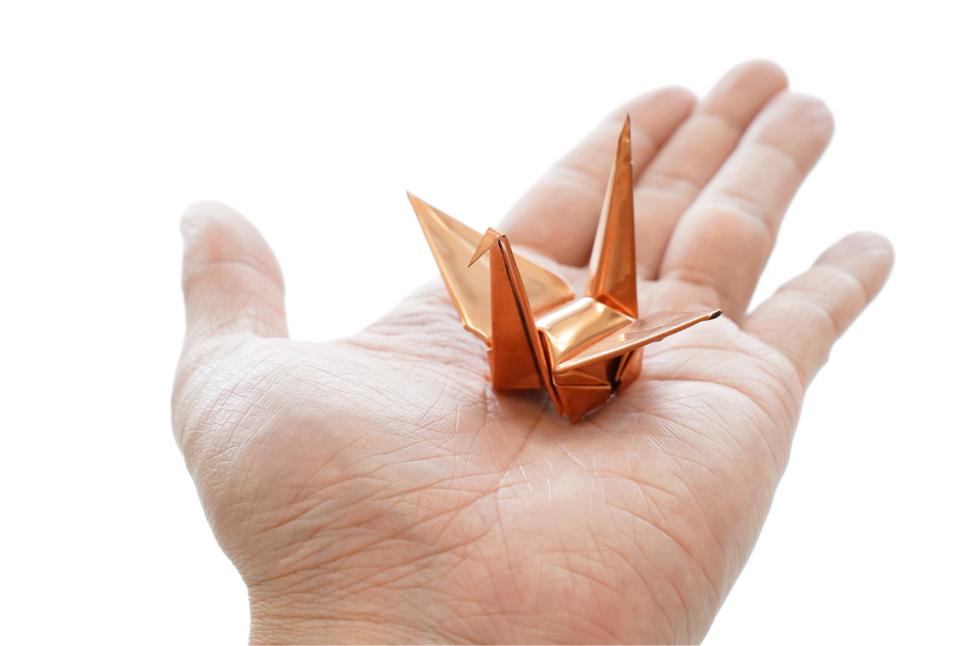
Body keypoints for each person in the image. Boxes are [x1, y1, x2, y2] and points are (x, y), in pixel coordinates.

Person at [172, 60, 893, 644]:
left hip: (589, 340)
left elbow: (601, 332)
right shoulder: (533, 349)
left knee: (531, 277)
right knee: (505, 278)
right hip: (562, 346)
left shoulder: (604, 339)